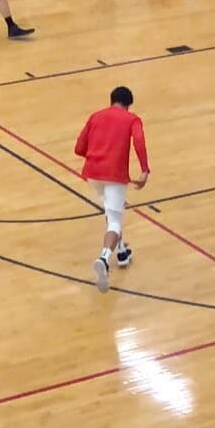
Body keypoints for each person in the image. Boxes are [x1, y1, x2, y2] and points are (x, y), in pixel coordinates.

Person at [74, 85, 150, 293]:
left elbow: (79, 147)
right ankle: (104, 258)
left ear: (112, 100)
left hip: (92, 173)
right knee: (115, 221)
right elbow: (140, 142)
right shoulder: (131, 119)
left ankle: (122, 252)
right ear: (128, 105)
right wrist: (144, 170)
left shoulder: (96, 116)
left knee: (112, 210)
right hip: (114, 175)